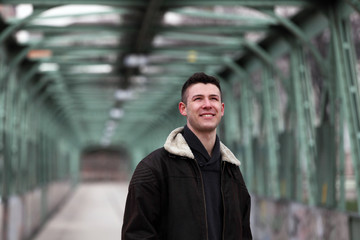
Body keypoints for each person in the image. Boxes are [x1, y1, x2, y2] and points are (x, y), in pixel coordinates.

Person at [122, 72, 252, 240]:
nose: (207, 105)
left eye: (213, 98)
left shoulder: (232, 172)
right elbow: (136, 235)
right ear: (183, 108)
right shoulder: (153, 169)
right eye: (198, 99)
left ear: (222, 108)